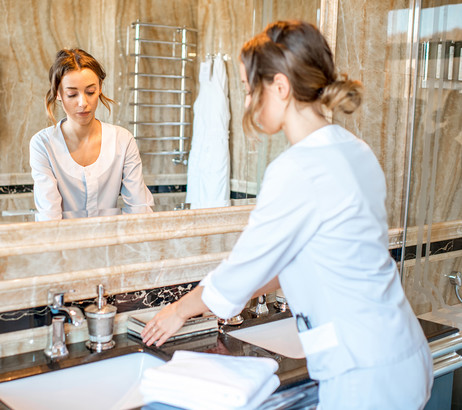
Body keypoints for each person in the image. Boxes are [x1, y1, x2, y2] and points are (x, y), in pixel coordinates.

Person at [141, 20, 432, 409]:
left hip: (365, 374)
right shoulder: (355, 149)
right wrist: (231, 294)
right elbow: (295, 263)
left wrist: (178, 310)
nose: (246, 104)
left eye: (249, 91)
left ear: (280, 86)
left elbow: (239, 273)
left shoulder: (298, 168)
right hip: (401, 351)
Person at [30, 49, 154, 221]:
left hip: (112, 245)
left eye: (90, 92)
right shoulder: (42, 144)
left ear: (100, 89)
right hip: (63, 245)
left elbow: (139, 209)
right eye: (72, 94)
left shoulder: (122, 140)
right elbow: (49, 216)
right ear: (58, 93)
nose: (83, 103)